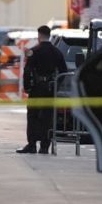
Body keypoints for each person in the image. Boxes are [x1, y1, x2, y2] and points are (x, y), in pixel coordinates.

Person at [16, 26, 67, 154]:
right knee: (47, 117)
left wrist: (27, 87)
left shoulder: (34, 51)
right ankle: (44, 146)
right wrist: (56, 85)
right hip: (50, 89)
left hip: (36, 88)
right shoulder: (56, 52)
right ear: (49, 35)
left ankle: (32, 145)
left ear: (39, 35)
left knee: (33, 116)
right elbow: (64, 71)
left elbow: (27, 71)